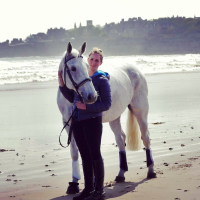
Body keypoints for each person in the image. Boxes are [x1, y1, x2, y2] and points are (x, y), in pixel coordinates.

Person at [58, 48, 111, 200]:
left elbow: (107, 104)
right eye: (92, 59)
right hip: (78, 121)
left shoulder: (101, 80)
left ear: (101, 63)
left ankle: (99, 191)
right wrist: (62, 85)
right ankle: (88, 189)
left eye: (97, 60)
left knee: (95, 154)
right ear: (87, 60)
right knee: (84, 155)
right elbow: (72, 98)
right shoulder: (80, 77)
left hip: (93, 121)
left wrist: (87, 107)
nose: (93, 63)